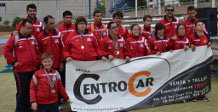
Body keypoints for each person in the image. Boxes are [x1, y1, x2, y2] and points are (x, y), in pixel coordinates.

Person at [4, 19, 41, 112]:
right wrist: (13, 62)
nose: (30, 30)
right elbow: (6, 51)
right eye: (28, 28)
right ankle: (20, 110)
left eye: (31, 28)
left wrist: (38, 63)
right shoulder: (15, 38)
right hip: (21, 71)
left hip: (33, 70)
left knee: (31, 91)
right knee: (22, 92)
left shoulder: (33, 37)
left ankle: (29, 109)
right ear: (22, 27)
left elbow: (37, 51)